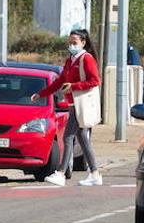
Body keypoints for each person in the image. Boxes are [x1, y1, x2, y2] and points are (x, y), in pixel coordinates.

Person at [30, 28, 102, 186]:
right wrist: (41, 94)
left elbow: (95, 81)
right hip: (73, 103)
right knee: (82, 139)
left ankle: (61, 173)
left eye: (74, 42)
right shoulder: (70, 59)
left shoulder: (86, 59)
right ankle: (95, 173)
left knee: (68, 136)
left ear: (83, 43)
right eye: (70, 42)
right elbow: (59, 81)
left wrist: (74, 86)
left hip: (80, 103)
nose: (71, 45)